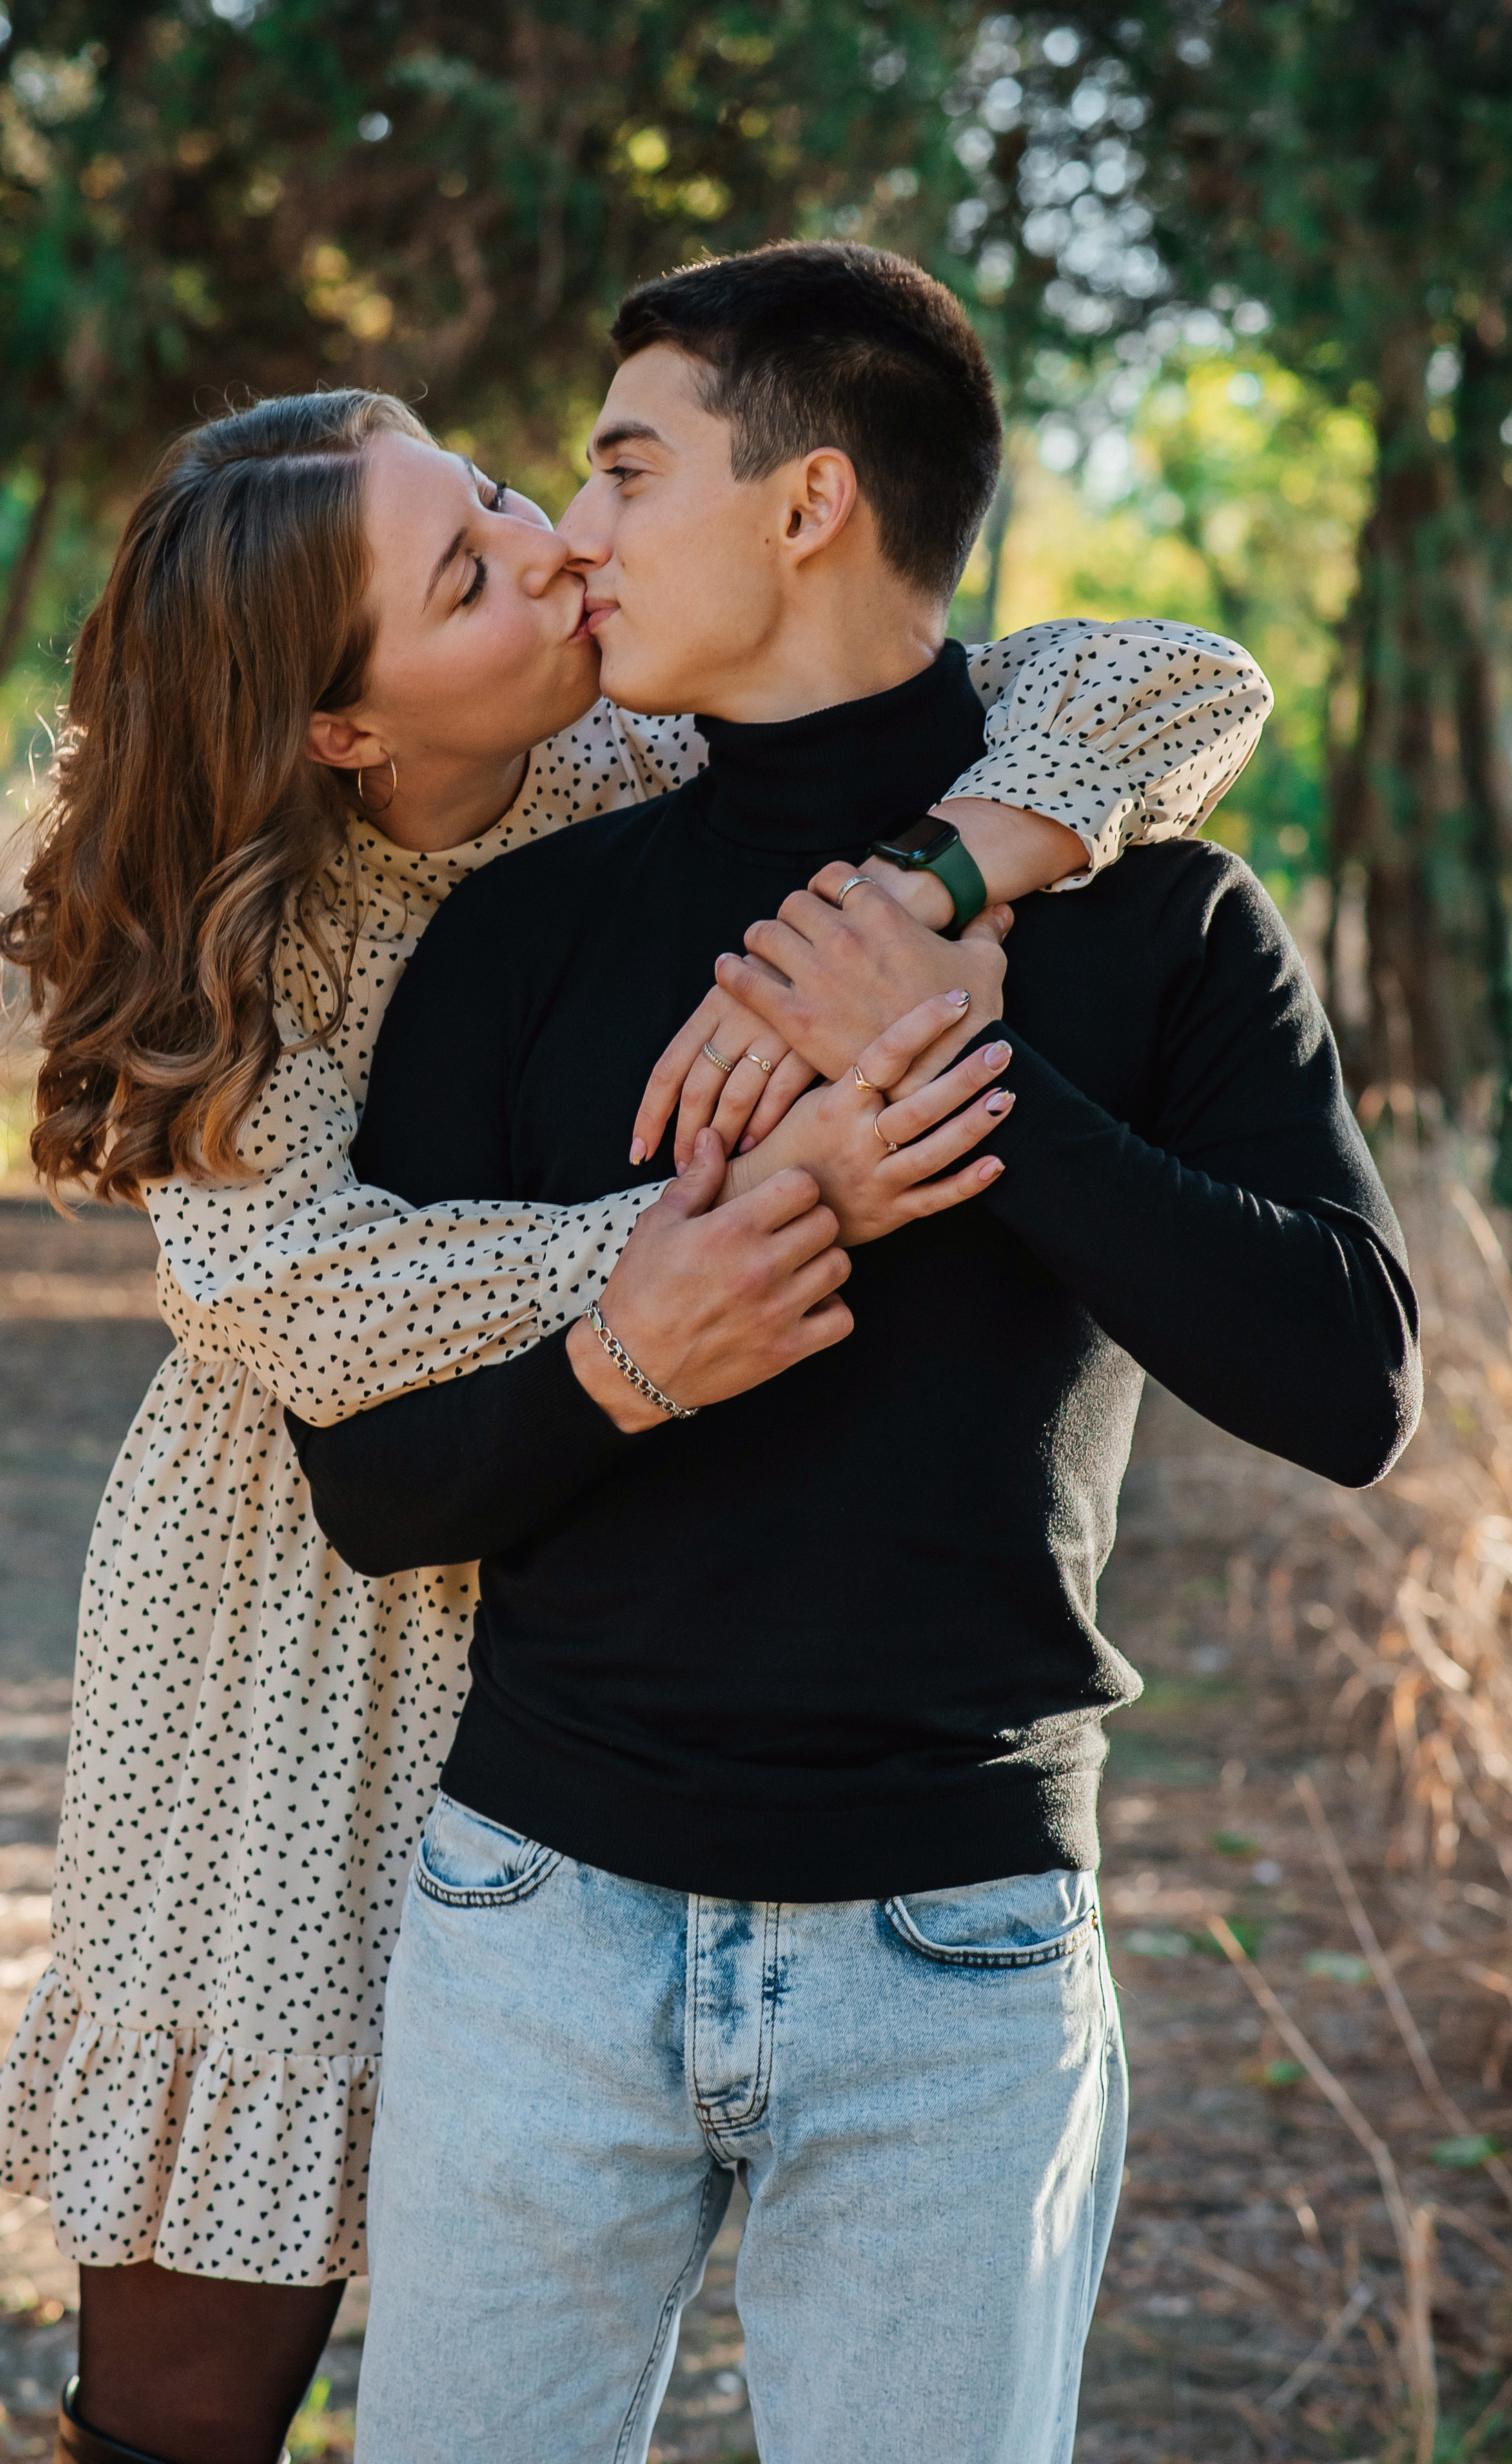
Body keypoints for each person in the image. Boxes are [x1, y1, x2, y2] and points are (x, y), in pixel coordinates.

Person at [0, 371, 1275, 2464]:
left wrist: (938, 875)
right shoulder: (254, 928)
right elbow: (288, 1291)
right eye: (470, 568)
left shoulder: (656, 745)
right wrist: (743, 1214)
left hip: (607, 1629)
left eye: (502, 490)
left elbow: (1178, 677)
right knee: (199, 2366)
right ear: (343, 724)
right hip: (294, 1640)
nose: (559, 545)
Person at [288, 243, 1422, 2464]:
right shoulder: (528, 922)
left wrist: (974, 1079)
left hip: (961, 1954)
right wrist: (630, 1354)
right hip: (537, 1917)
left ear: (808, 503)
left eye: (625, 464)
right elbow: (372, 1479)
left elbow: (1353, 1380)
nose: (578, 531)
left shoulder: (1156, 913)